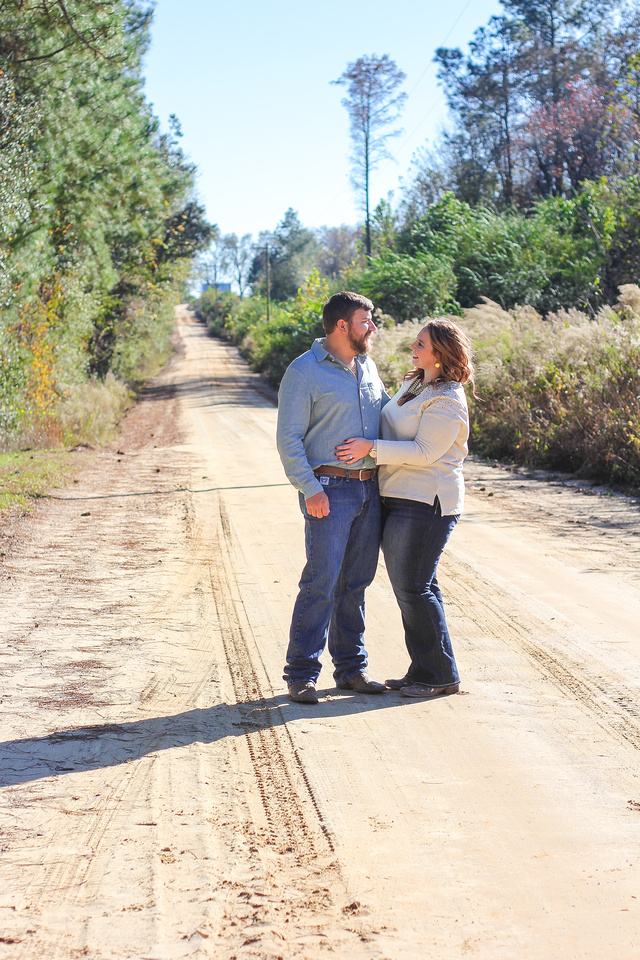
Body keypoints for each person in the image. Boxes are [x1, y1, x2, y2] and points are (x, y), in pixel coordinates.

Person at [335, 318, 473, 698]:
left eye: (421, 344)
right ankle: (428, 668)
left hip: (428, 501)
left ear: (441, 354)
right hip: (398, 495)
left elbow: (427, 452)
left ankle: (439, 675)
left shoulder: (447, 398)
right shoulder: (415, 384)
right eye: (416, 342)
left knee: (414, 588)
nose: (414, 348)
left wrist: (371, 449)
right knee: (416, 587)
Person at [276, 291, 390, 704]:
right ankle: (301, 674)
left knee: (356, 583)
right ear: (342, 325)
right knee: (321, 581)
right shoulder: (303, 371)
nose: (372, 327)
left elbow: (387, 419)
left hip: (369, 489)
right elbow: (288, 439)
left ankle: (351, 670)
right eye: (366, 320)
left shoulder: (369, 367)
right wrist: (310, 489)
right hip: (330, 490)